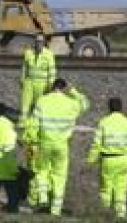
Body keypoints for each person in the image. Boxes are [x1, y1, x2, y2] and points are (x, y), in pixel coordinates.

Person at [30, 78, 89, 215]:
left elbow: (34, 123)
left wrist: (33, 140)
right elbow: (85, 104)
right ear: (64, 88)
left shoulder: (42, 100)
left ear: (52, 87)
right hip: (62, 145)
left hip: (44, 142)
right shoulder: (72, 103)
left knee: (42, 169)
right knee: (59, 175)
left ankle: (43, 197)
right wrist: (73, 91)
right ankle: (56, 209)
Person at [87, 97, 127, 218]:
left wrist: (91, 160)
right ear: (121, 107)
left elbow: (96, 144)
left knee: (106, 189)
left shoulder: (104, 122)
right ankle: (121, 215)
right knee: (121, 189)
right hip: (124, 160)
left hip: (108, 160)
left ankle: (105, 215)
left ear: (109, 107)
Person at [20, 35, 56, 120]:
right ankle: (23, 121)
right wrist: (22, 79)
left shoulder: (49, 54)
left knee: (39, 104)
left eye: (41, 41)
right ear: (35, 42)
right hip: (29, 82)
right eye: (37, 41)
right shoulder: (28, 53)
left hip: (42, 84)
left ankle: (37, 121)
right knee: (25, 103)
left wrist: (51, 84)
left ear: (44, 43)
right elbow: (24, 68)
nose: (39, 43)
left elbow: (52, 71)